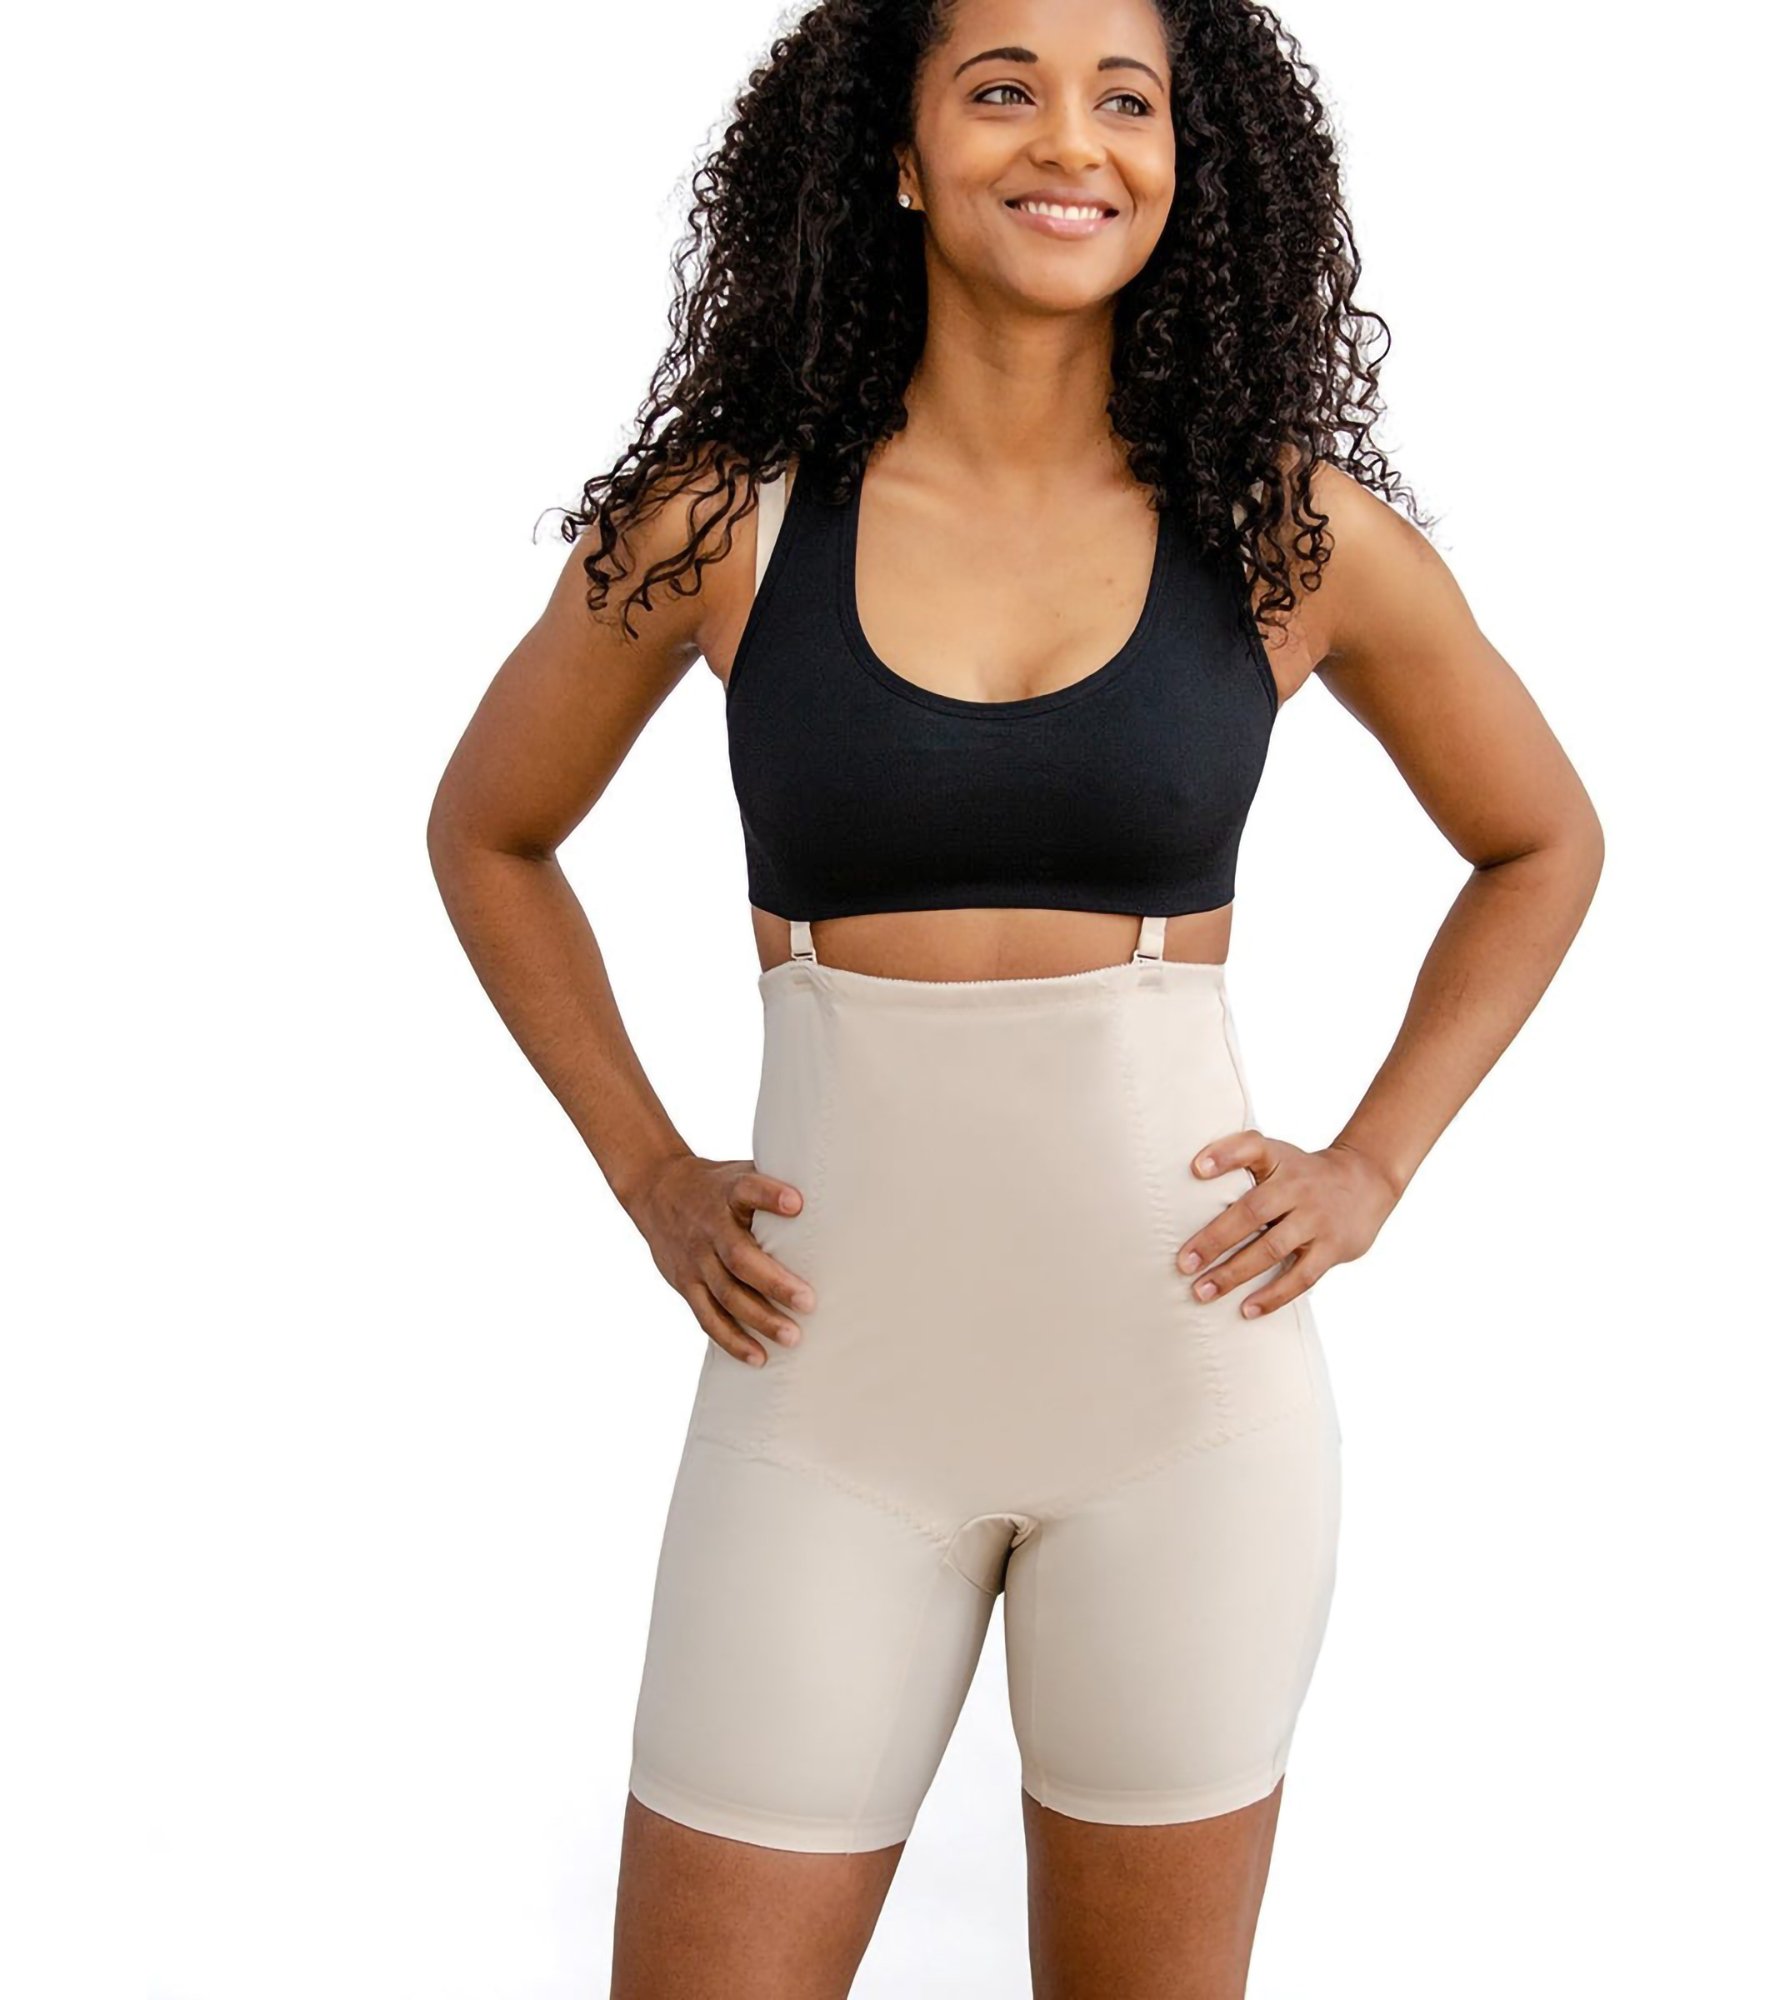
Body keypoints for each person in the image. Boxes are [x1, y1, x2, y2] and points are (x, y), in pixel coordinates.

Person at [426, 0, 1604, 1992]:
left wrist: (1373, 1165)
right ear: (894, 155)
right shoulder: (724, 522)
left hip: (1187, 1413)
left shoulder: (1285, 533)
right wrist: (646, 1171)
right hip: (823, 1404)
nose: (1071, 140)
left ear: (1184, 163)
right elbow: (491, 833)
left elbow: (1541, 841)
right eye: (1002, 89)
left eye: (1124, 98)